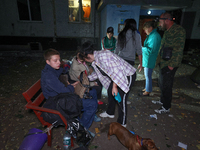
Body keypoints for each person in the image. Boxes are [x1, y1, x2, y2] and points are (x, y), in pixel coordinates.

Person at [80, 41, 136, 128]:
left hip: (127, 75)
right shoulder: (95, 60)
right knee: (110, 92)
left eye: (85, 59)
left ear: (87, 55)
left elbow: (117, 71)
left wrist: (115, 86)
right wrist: (86, 79)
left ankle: (122, 122)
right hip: (116, 77)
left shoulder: (103, 56)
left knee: (121, 98)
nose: (85, 61)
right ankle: (110, 112)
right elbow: (98, 73)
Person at [41, 48, 98, 131]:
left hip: (61, 97)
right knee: (92, 104)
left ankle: (91, 115)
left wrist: (70, 85)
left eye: (59, 60)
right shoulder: (49, 76)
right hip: (58, 103)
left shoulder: (52, 70)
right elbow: (65, 91)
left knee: (93, 92)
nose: (59, 63)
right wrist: (72, 87)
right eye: (55, 61)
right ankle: (82, 130)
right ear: (48, 62)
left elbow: (61, 83)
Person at [152, 12, 186, 114]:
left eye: (160, 21)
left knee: (167, 85)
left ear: (167, 20)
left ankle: (166, 107)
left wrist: (172, 65)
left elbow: (179, 49)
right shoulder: (167, 31)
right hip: (163, 62)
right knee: (162, 84)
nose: (159, 24)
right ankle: (162, 101)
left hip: (170, 64)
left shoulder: (179, 31)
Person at [69, 52, 102, 122]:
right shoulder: (75, 67)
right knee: (96, 88)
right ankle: (91, 110)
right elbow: (82, 81)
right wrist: (93, 83)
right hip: (78, 85)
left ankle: (93, 111)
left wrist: (90, 69)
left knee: (96, 87)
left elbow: (87, 70)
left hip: (84, 81)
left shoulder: (82, 61)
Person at [141, 20, 161, 96]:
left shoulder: (155, 36)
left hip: (150, 59)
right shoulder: (152, 35)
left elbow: (151, 50)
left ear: (150, 28)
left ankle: (148, 90)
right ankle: (147, 87)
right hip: (148, 59)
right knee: (147, 75)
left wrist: (141, 48)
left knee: (148, 75)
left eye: (146, 29)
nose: (145, 31)